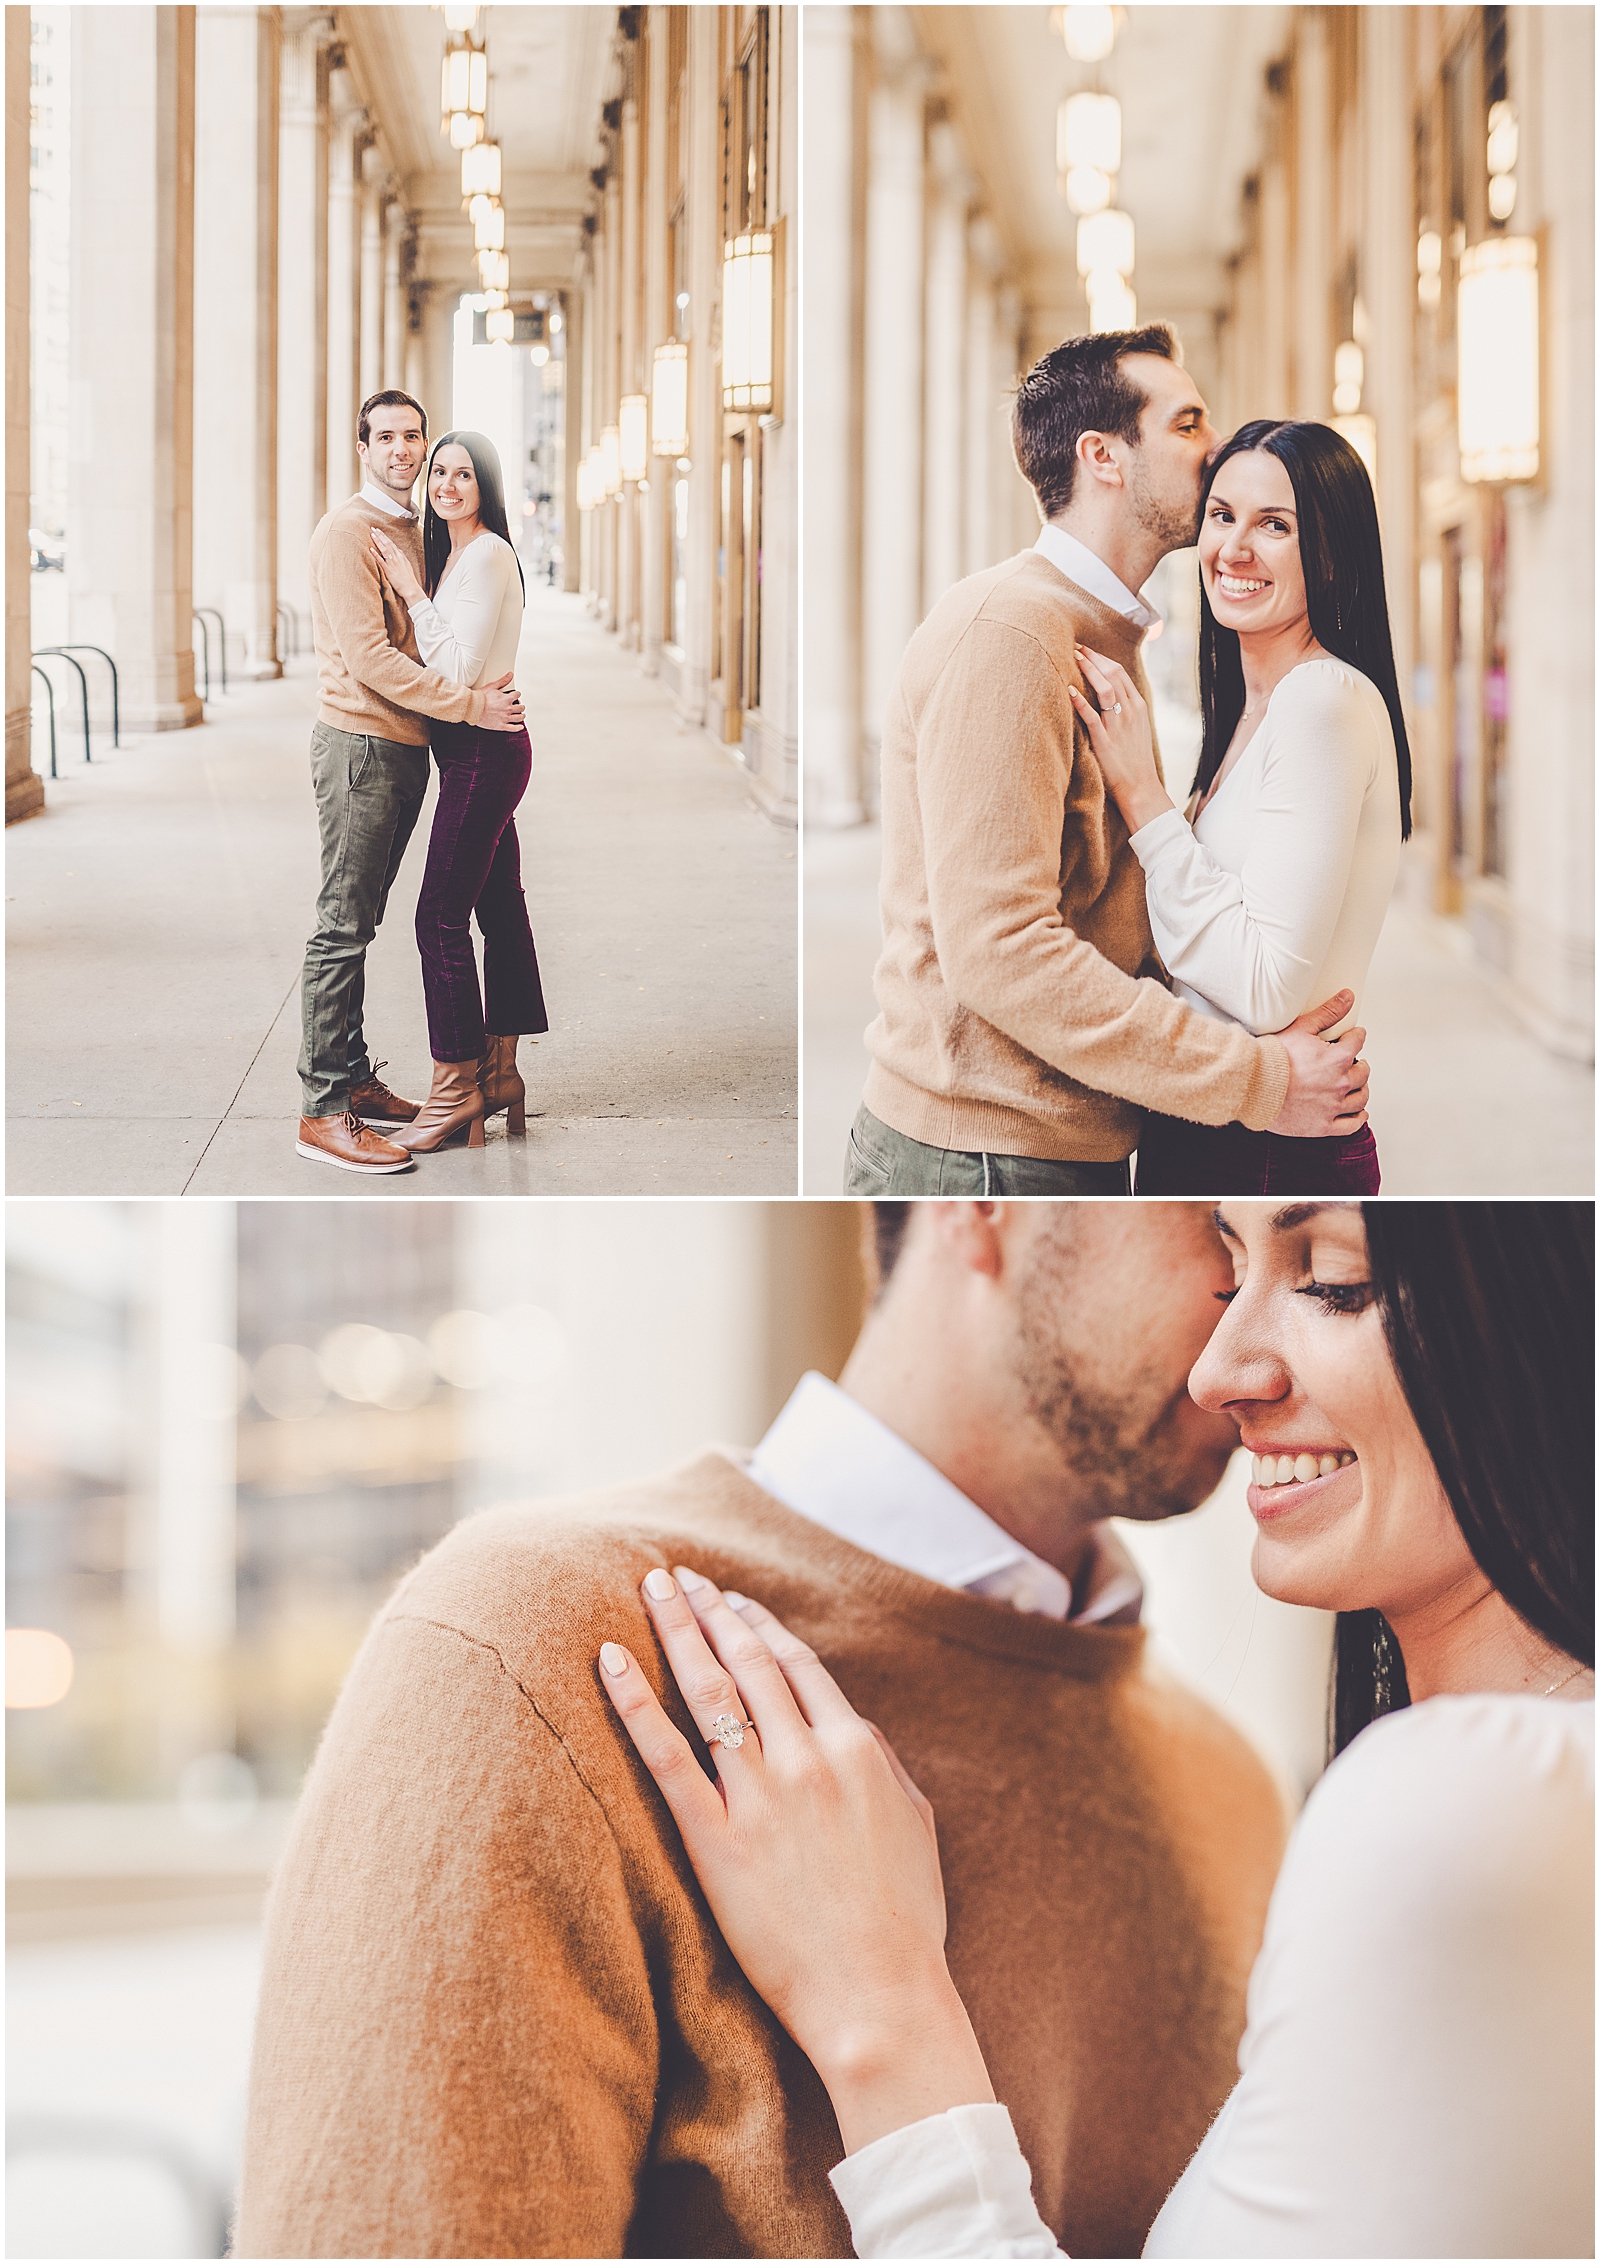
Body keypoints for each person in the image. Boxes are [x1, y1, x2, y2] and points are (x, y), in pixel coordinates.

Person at [233, 1204, 1289, 2261]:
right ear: (988, 1190)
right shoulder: (524, 1647)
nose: (1264, 1347)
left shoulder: (1229, 1785)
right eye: (1221, 1237)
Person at [604, 1201, 1595, 2260]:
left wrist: (882, 2006)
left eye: (1335, 1280)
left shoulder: (1460, 1802)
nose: (1217, 1370)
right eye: (1223, 1252)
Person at [846, 325, 1371, 1199]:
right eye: (1188, 423)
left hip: (1049, 1141)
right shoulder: (1013, 633)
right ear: (1104, 457)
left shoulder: (1098, 631)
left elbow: (1106, 909)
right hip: (983, 1153)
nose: (1216, 449)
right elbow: (1002, 949)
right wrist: (1257, 1079)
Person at [1071, 421, 1410, 1195]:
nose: (1235, 549)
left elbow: (1263, 985)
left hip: (1268, 1149)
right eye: (1222, 516)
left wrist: (1145, 803)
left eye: (1275, 526)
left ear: (1330, 551)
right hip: (1222, 1118)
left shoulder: (1321, 701)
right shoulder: (1255, 708)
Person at [296, 391, 527, 1176]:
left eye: (412, 437)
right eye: (385, 436)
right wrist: (471, 704)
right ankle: (324, 1107)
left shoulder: (420, 531)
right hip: (360, 746)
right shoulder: (345, 533)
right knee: (342, 922)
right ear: (362, 446)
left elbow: (452, 633)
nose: (402, 450)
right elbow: (372, 659)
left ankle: (357, 1078)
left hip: (410, 748)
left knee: (370, 921)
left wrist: (475, 695)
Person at [369, 431, 548, 1153]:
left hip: (482, 754)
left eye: (462, 474)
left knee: (436, 918)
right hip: (479, 752)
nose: (446, 484)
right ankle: (500, 1071)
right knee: (499, 908)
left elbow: (462, 671)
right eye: (438, 472)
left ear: (486, 487)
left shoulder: (487, 555)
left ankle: (455, 1090)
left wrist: (411, 592)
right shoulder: (459, 556)